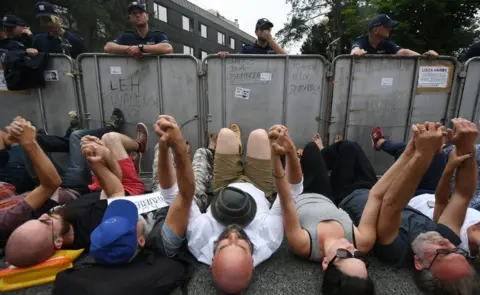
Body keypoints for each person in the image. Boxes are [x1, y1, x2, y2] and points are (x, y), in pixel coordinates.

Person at [157, 120, 303, 293]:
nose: (233, 235)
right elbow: (291, 190)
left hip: (223, 186)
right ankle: (239, 148)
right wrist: (290, 151)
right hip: (259, 186)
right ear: (252, 262)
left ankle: (235, 145)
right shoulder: (268, 237)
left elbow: (173, 193)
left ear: (212, 261)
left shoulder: (200, 240)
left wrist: (165, 148)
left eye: (224, 245)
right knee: (260, 135)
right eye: (241, 245)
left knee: (225, 134)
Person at [340, 119, 478, 294]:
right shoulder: (446, 239)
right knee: (351, 149)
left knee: (346, 148)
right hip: (373, 186)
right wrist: (467, 149)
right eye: (458, 251)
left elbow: (391, 203)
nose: (449, 243)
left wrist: (423, 153)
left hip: (346, 193)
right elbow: (462, 195)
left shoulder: (396, 252)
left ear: (419, 263)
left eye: (443, 253)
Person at [4, 131, 144, 267]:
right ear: (58, 242)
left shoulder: (54, 219)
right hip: (125, 188)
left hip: (97, 186)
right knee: (111, 138)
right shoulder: (92, 227)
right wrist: (102, 159)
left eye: (38, 219)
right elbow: (116, 186)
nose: (44, 215)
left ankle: (126, 156)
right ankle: (138, 146)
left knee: (90, 141)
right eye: (46, 223)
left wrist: (31, 143)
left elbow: (51, 185)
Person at [279, 132, 394, 294]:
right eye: (359, 256)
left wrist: (289, 154)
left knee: (297, 154)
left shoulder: (303, 245)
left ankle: (298, 157)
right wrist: (412, 153)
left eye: (344, 254)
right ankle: (306, 157)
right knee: (330, 149)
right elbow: (376, 195)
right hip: (327, 194)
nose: (350, 247)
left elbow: (286, 201)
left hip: (299, 195)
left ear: (325, 263)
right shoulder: (363, 242)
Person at [0, 117, 63, 248]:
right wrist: (29, 143)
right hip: (69, 188)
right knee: (81, 138)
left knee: (27, 137)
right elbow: (51, 184)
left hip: (39, 187)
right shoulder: (6, 219)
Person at [350, 14, 438, 57]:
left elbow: (404, 52)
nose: (390, 29)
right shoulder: (362, 41)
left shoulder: (386, 44)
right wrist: (357, 53)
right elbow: (355, 49)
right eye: (387, 26)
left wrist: (424, 57)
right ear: (376, 30)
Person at [104, 2, 173, 57]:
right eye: (134, 13)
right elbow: (108, 47)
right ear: (130, 18)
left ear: (147, 16)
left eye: (140, 12)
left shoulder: (157, 35)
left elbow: (167, 48)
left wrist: (140, 48)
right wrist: (130, 49)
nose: (137, 15)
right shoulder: (126, 36)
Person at [219, 18, 287, 57]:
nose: (266, 31)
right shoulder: (247, 49)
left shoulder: (275, 49)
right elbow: (235, 61)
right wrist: (224, 56)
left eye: (268, 29)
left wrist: (270, 40)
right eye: (263, 28)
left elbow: (287, 59)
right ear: (256, 32)